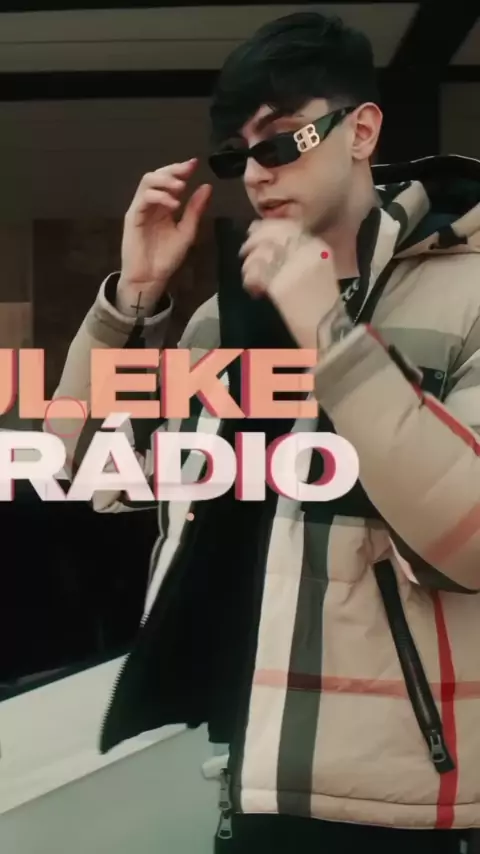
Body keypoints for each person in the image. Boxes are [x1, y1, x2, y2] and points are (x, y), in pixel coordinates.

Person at [50, 11, 480, 854]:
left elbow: (468, 537)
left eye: (281, 141)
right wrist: (131, 301)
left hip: (415, 803)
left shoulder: (466, 293)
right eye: (236, 155)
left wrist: (330, 336)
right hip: (253, 783)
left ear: (361, 131)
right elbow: (81, 474)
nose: (256, 173)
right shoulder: (225, 321)